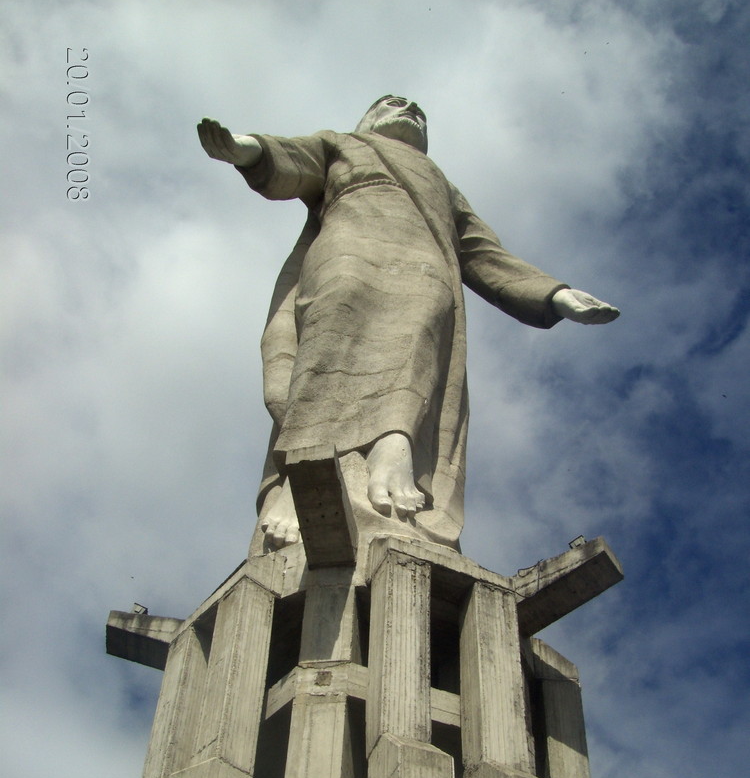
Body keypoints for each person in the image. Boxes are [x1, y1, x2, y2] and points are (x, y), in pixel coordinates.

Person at [197, 96, 618, 552]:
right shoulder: (342, 143)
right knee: (327, 344)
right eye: (394, 103)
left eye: (419, 108)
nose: (411, 107)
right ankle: (302, 478)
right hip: (347, 252)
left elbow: (480, 251)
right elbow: (291, 157)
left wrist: (555, 294)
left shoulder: (443, 186)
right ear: (368, 118)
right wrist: (246, 150)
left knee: (416, 338)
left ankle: (392, 447)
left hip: (424, 267)